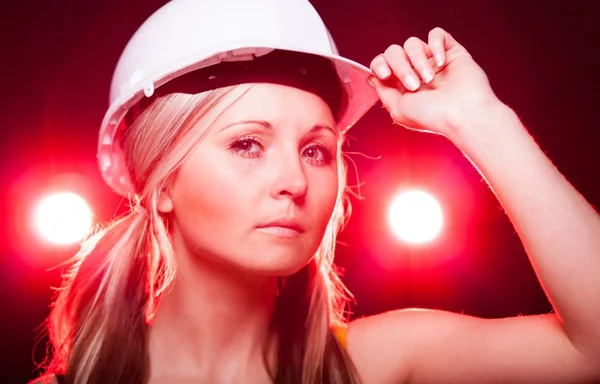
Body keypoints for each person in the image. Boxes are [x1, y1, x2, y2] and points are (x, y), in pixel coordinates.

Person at [33, 0, 600, 383]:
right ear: (162, 185)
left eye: (316, 150)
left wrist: (478, 118)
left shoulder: (372, 363)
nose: (296, 182)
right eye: (247, 145)